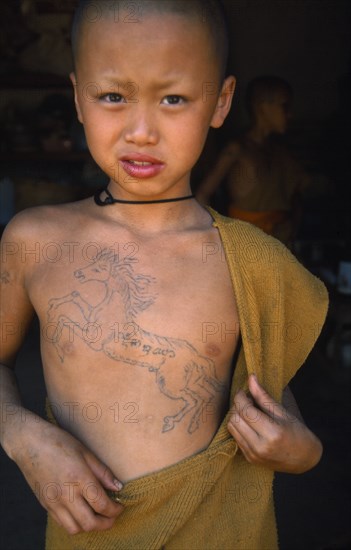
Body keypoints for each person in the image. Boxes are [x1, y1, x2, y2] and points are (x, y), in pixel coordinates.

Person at [0, 2, 328, 549]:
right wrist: (18, 430)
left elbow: (270, 397)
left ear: (220, 102)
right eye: (113, 97)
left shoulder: (252, 258)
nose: (142, 131)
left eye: (173, 98)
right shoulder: (35, 241)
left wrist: (304, 451)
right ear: (79, 97)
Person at [196, 76, 310, 245]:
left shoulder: (282, 153)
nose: (290, 114)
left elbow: (298, 194)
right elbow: (202, 195)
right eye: (284, 106)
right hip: (245, 246)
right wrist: (218, 238)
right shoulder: (237, 150)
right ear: (262, 107)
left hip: (281, 244)